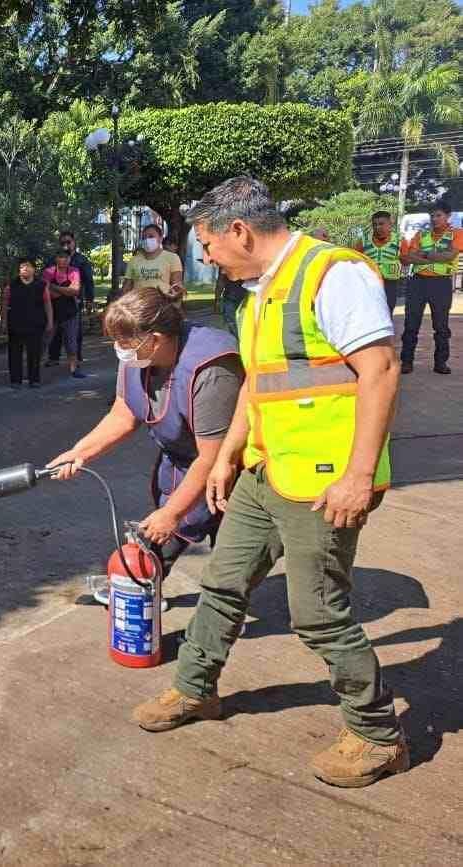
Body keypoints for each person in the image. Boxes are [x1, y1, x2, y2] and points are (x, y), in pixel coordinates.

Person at [130, 176, 406, 789]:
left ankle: (376, 733)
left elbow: (381, 371)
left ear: (239, 231)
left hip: (324, 482)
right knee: (223, 583)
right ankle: (195, 690)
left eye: (206, 243)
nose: (205, 257)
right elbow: (260, 383)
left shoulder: (333, 274)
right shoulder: (260, 296)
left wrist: (359, 477)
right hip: (265, 470)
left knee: (317, 614)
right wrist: (228, 454)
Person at [47, 287, 243, 585]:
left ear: (156, 339)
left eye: (125, 342)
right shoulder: (139, 358)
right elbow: (123, 413)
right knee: (147, 557)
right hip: (181, 468)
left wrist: (172, 512)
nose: (120, 349)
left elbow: (212, 457)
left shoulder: (210, 367)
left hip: (227, 475)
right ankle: (142, 598)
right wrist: (80, 452)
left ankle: (214, 622)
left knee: (228, 571)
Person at [399, 202, 461, 375]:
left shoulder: (457, 234)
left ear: (448, 216)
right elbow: (408, 257)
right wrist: (435, 257)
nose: (434, 219)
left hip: (441, 284)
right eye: (432, 216)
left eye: (438, 215)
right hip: (417, 283)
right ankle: (407, 362)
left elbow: (450, 255)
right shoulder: (421, 234)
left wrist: (423, 255)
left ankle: (441, 363)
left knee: (441, 326)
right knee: (411, 324)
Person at [0, 257, 54, 388]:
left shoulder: (41, 285)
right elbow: (4, 304)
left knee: (34, 353)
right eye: (22, 267)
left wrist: (50, 321)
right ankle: (15, 380)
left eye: (28, 266)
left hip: (36, 324)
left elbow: (47, 304)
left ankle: (34, 379)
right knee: (14, 353)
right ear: (18, 271)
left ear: (34, 269)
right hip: (15, 324)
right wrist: (4, 322)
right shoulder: (11, 286)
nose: (26, 269)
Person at [41, 249, 86, 378]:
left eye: (67, 257)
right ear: (56, 258)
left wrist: (54, 287)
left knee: (71, 343)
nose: (64, 260)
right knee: (44, 341)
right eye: (61, 257)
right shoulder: (48, 272)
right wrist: (67, 291)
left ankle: (74, 369)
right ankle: (34, 368)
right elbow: (46, 293)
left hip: (70, 313)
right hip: (51, 313)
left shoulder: (74, 271)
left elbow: (76, 291)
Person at [354, 211, 403, 315]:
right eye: (375, 224)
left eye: (381, 224)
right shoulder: (364, 240)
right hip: (369, 282)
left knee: (387, 311)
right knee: (368, 312)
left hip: (390, 283)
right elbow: (353, 257)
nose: (377, 227)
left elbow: (408, 259)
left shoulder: (400, 240)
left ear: (390, 224)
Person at [123, 225, 184, 300]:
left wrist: (173, 305)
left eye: (151, 236)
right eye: (144, 238)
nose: (147, 240)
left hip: (163, 304)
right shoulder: (134, 260)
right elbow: (126, 288)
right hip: (138, 305)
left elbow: (176, 286)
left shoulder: (172, 258)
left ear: (161, 238)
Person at [59, 230, 96, 348]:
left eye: (68, 242)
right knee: (56, 330)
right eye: (62, 243)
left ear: (74, 242)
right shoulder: (55, 259)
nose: (66, 245)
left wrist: (89, 299)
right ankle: (53, 356)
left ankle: (77, 356)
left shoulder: (82, 260)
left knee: (76, 330)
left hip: (75, 300)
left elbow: (89, 281)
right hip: (57, 299)